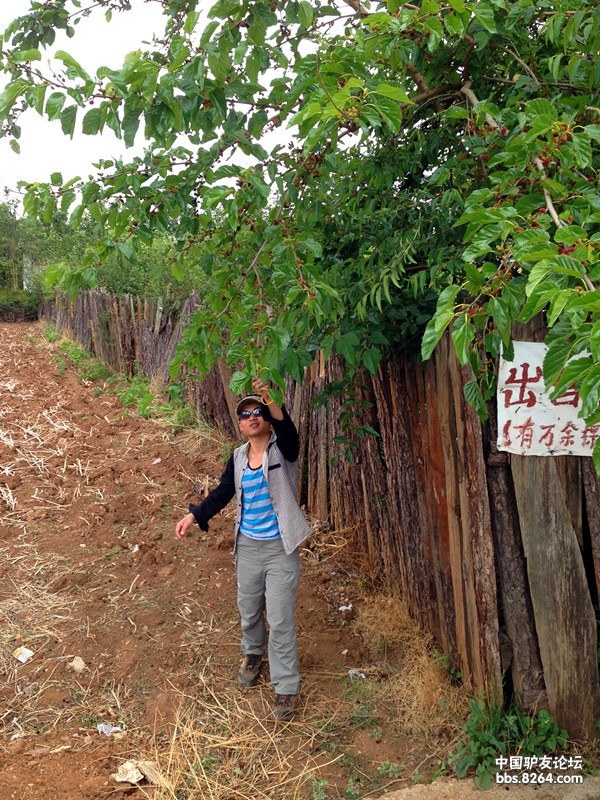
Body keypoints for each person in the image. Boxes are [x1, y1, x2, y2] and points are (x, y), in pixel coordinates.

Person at [175, 378, 311, 720]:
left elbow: (290, 432)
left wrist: (270, 398)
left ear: (266, 418)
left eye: (258, 412)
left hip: (281, 549)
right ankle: (253, 654)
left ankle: (285, 687)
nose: (252, 417)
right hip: (248, 547)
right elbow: (223, 493)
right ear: (239, 424)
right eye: (245, 414)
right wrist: (194, 516)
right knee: (249, 610)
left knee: (280, 620)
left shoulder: (283, 450)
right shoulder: (236, 457)